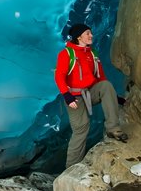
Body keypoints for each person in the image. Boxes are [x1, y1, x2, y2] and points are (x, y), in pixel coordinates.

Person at [54, 23, 127, 167]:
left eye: (91, 32)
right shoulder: (66, 54)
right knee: (81, 129)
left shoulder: (92, 53)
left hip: (90, 92)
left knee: (106, 86)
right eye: (88, 33)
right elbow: (59, 77)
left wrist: (113, 96)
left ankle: (113, 129)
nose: (91, 35)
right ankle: (71, 167)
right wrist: (67, 96)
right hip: (74, 97)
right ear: (79, 36)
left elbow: (101, 78)